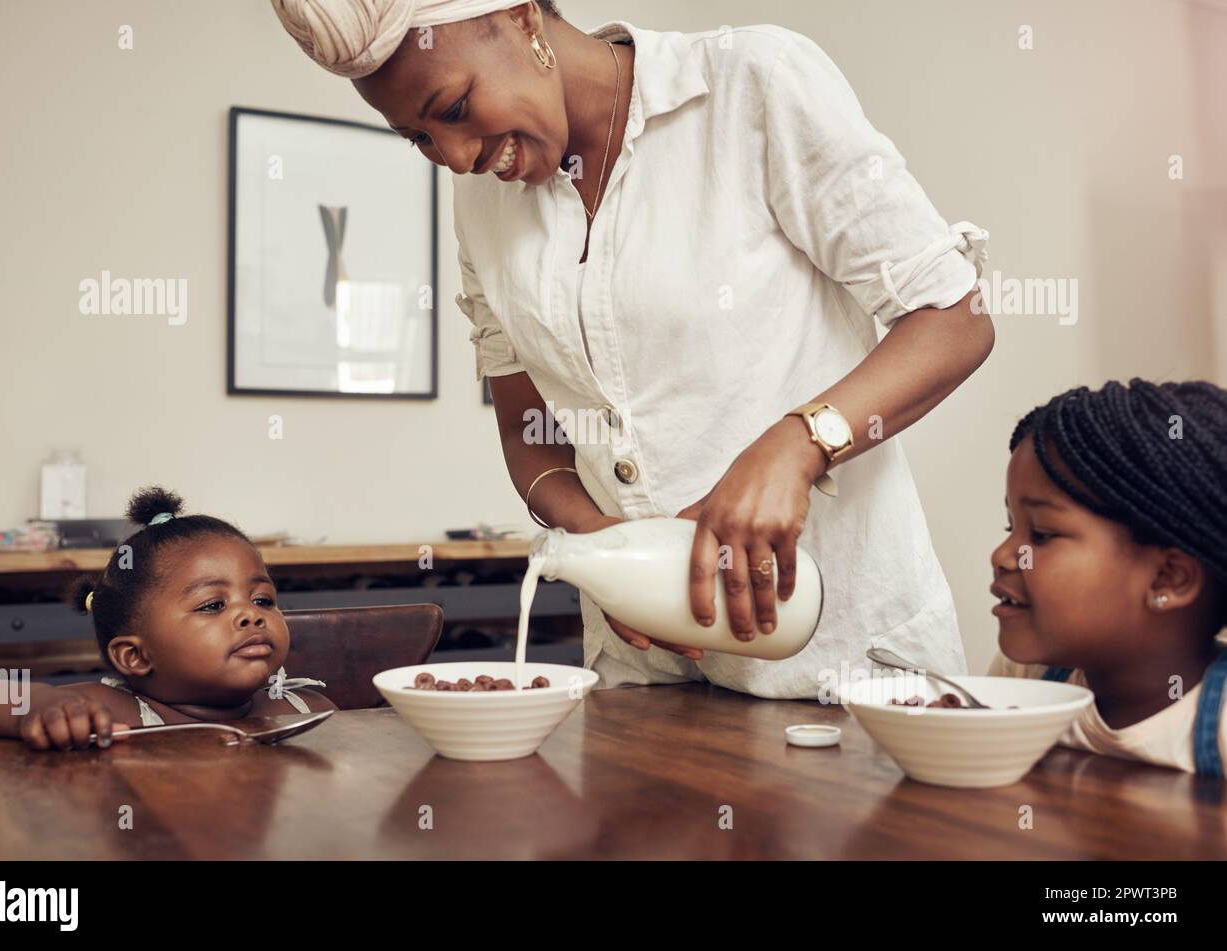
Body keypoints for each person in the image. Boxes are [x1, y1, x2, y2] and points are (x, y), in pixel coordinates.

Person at [271, 0, 995, 697]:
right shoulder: (482, 206)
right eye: (420, 139)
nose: (456, 158)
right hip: (645, 673)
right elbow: (531, 431)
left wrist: (798, 445)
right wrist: (605, 553)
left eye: (455, 109)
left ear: (525, 19)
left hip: (840, 655)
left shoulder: (749, 84)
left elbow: (954, 312)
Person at [0, 487, 334, 750]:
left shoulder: (304, 708)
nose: (251, 614)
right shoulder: (109, 712)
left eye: (263, 599)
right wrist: (42, 707)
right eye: (213, 605)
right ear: (135, 657)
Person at [988, 380, 1227, 774]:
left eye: (1042, 535)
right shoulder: (1029, 678)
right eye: (1009, 527)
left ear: (1167, 579)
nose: (1002, 556)